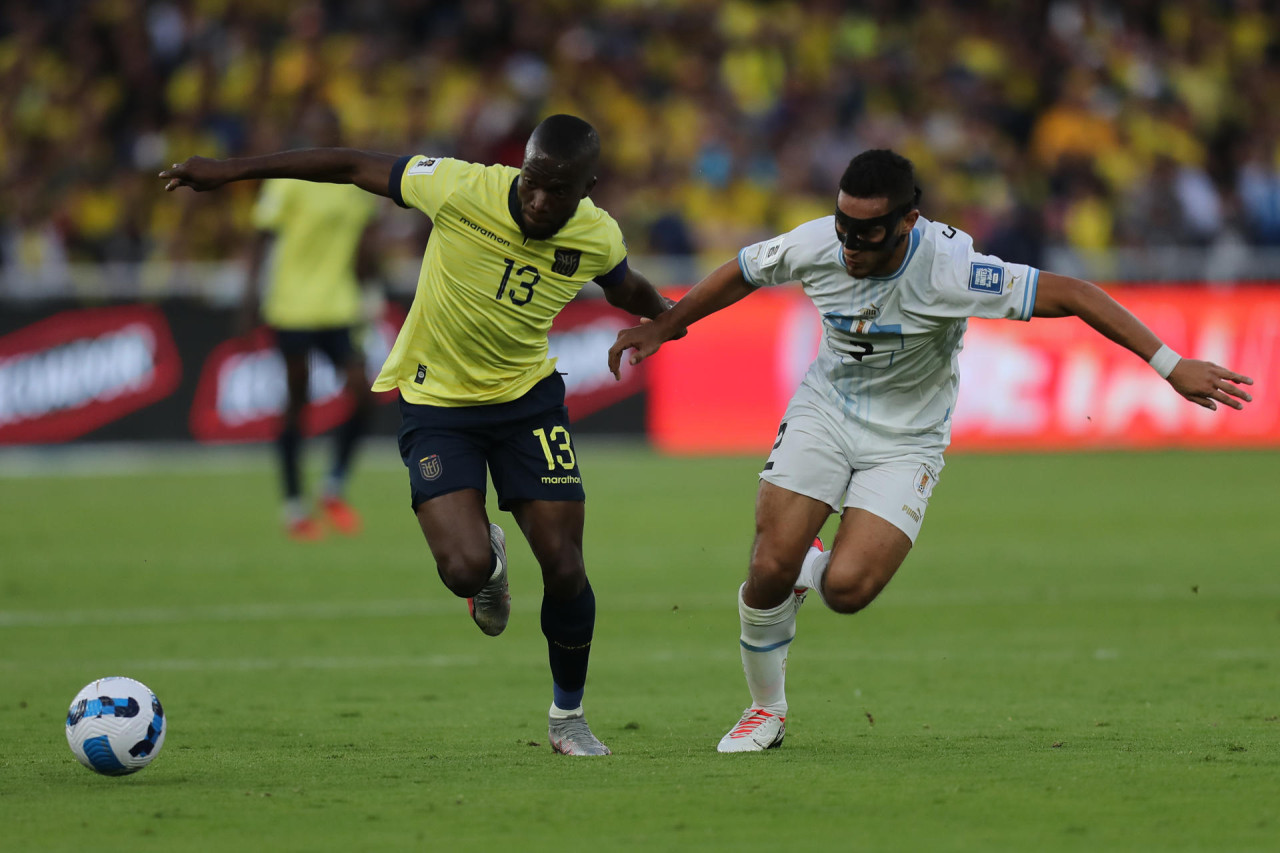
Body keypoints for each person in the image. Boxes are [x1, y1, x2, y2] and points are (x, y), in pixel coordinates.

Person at [608, 149, 1255, 753]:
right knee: (767, 566)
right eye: (843, 226)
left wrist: (1169, 364)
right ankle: (766, 709)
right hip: (824, 414)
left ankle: (808, 570)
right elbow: (744, 272)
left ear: (907, 222)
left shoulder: (954, 270)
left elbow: (1078, 294)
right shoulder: (817, 244)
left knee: (847, 589)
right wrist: (669, 323)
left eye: (867, 231)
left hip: (908, 440)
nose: (850, 244)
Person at [162, 114, 674, 756]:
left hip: (528, 405)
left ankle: (567, 718)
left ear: (587, 188)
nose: (541, 202)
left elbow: (624, 284)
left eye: (560, 192)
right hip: (438, 405)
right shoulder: (459, 187)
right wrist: (231, 171)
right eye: (534, 183)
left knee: (566, 567)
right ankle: (487, 561)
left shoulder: (595, 234)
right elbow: (350, 164)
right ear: (521, 166)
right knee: (464, 570)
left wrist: (670, 317)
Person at [241, 107, 380, 541]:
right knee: (297, 402)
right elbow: (262, 236)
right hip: (293, 306)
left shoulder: (354, 185)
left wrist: (370, 288)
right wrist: (249, 295)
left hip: (340, 305)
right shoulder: (286, 180)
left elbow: (362, 246)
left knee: (362, 393)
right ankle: (294, 506)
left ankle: (333, 485)